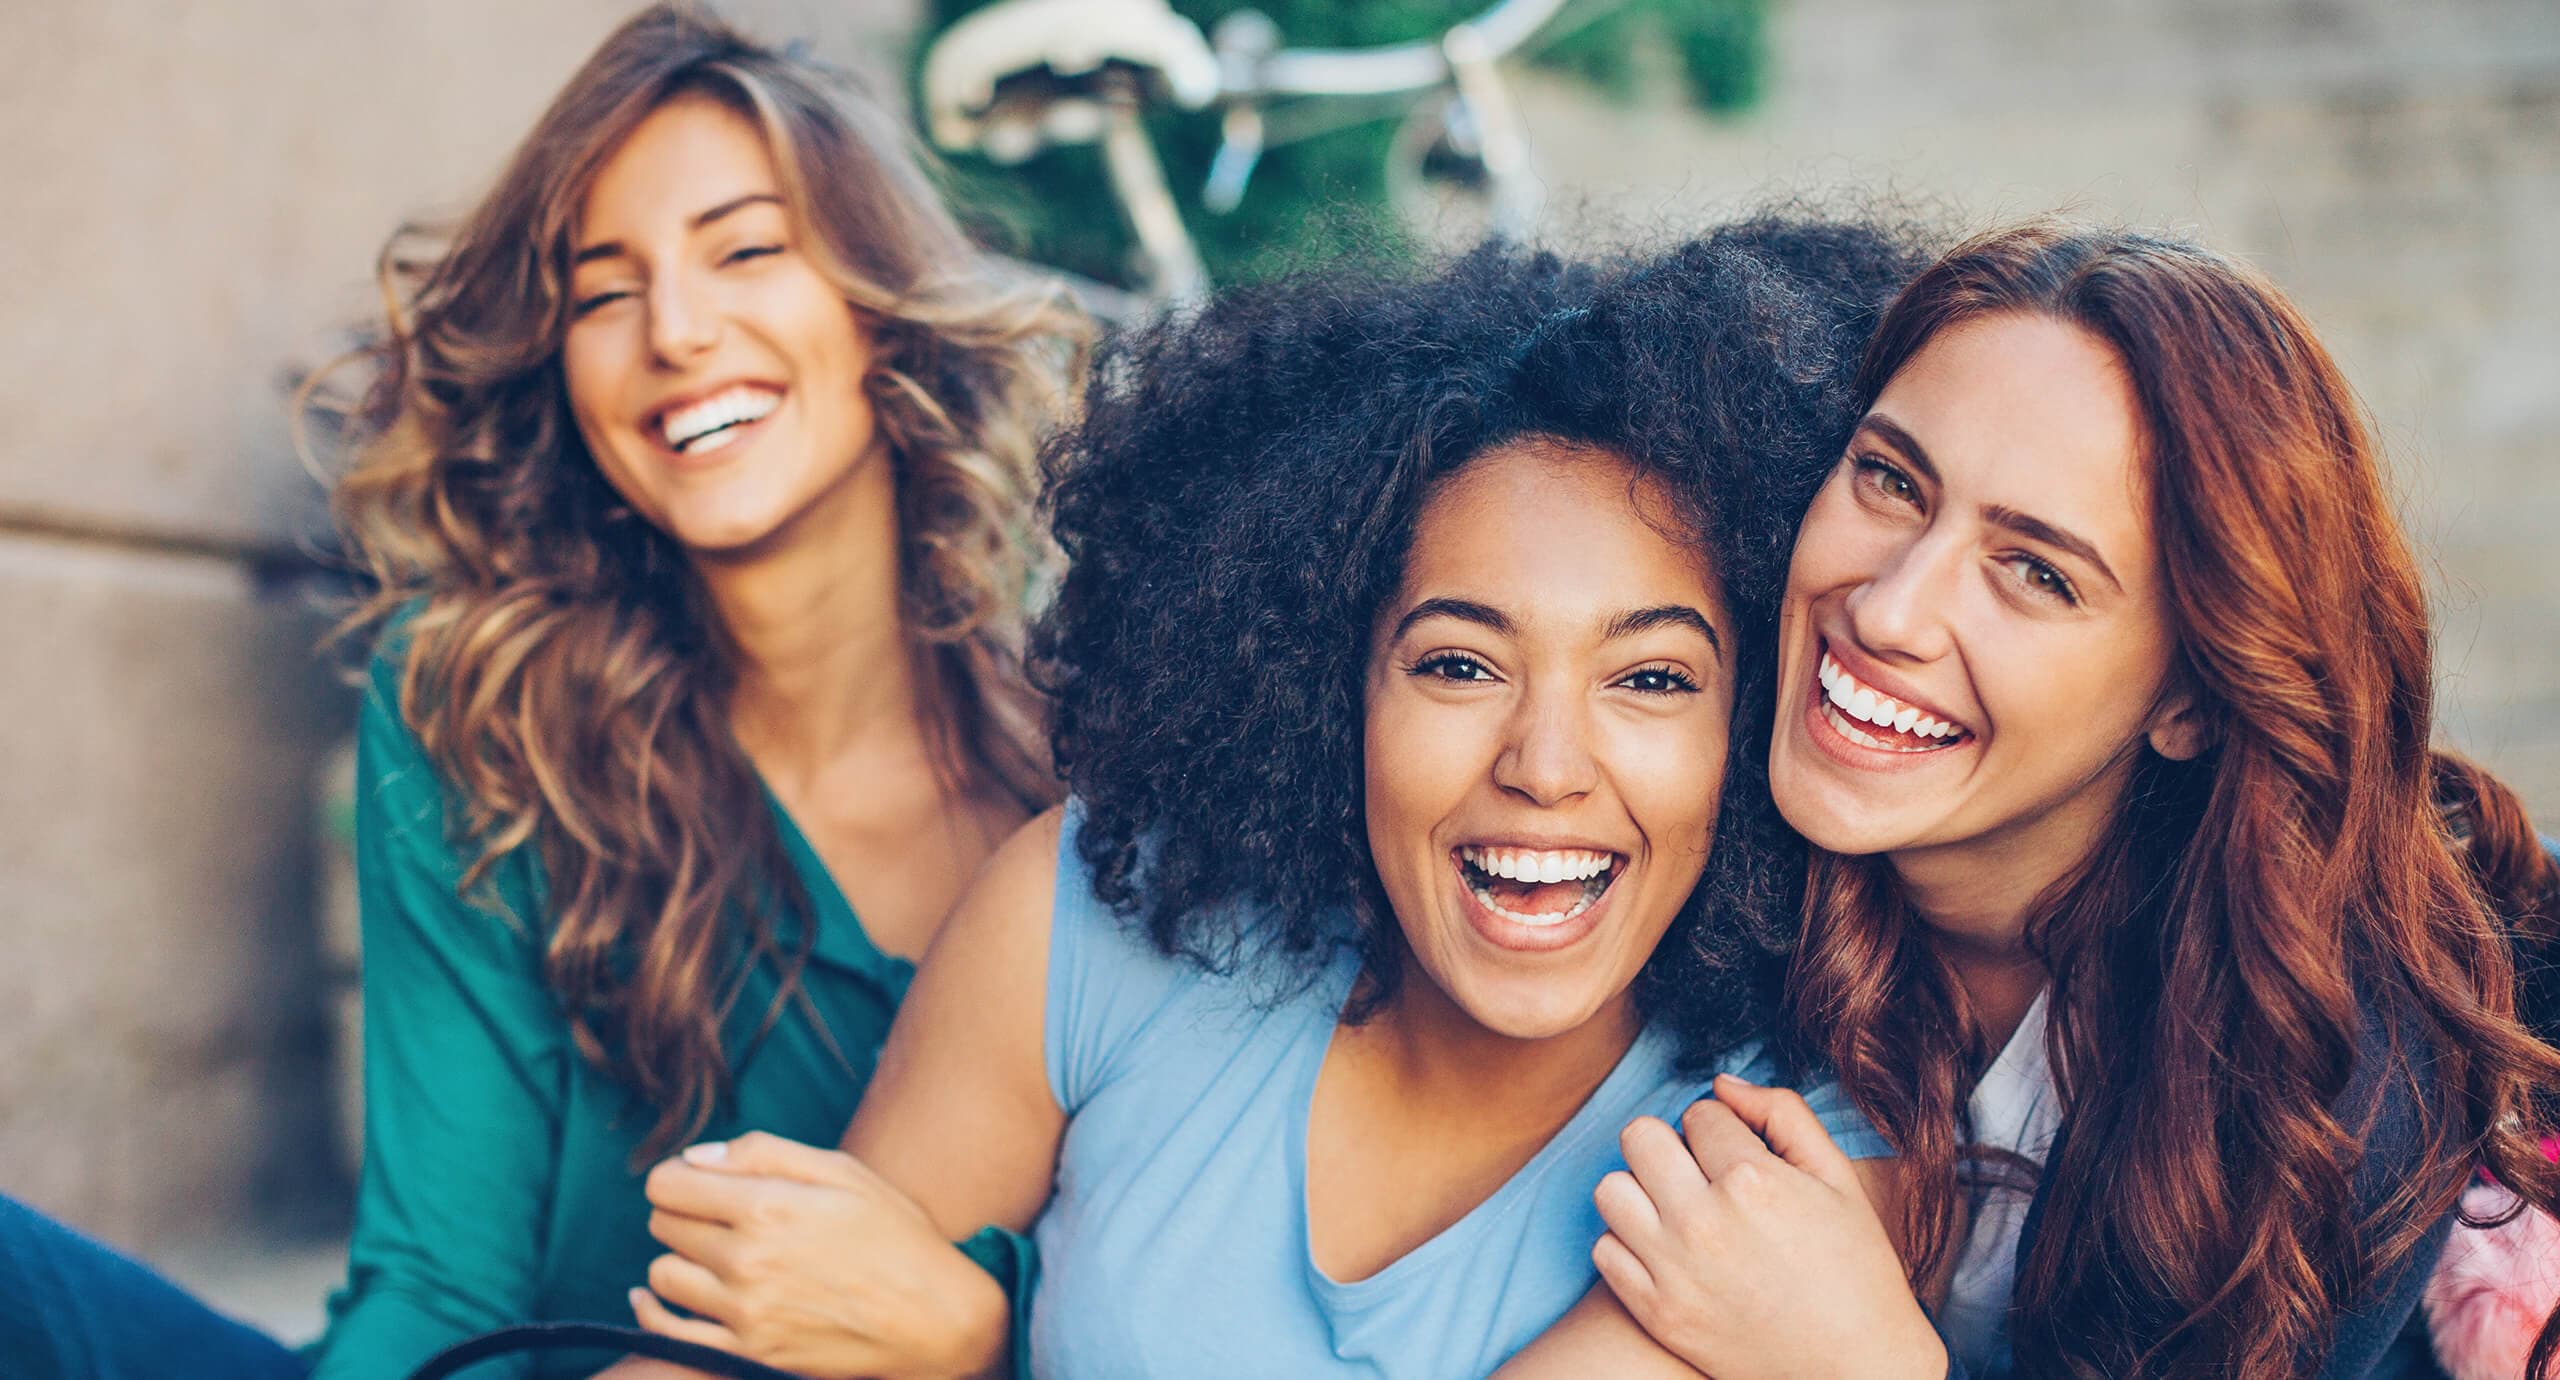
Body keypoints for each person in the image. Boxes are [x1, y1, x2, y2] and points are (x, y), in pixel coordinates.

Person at [617, 222, 1931, 1378]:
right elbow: (771, 1333)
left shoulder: (1797, 1163)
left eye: (1650, 678)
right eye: (1458, 663)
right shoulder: (1088, 919)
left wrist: (966, 1345)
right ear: (1327, 685)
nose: (1544, 764)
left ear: (1753, 715)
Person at [0, 6, 1081, 1378]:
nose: (676, 331)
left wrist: (980, 1335)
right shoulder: (488, 718)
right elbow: (441, 1289)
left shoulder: (1088, 778)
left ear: (878, 311)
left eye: (747, 249)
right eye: (602, 290)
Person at [1522, 221, 2560, 1379]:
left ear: (2192, 699)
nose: (1888, 612)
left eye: (2038, 572)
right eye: (1889, 479)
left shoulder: (2330, 1077)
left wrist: (1863, 1366)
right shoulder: (1691, 787)